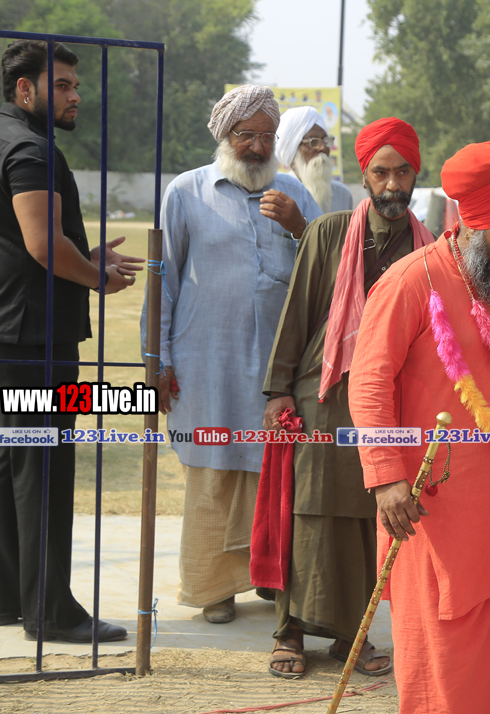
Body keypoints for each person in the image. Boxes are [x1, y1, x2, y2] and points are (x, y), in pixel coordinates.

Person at [348, 139, 490, 714]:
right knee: (442, 660)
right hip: (431, 502)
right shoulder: (411, 280)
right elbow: (368, 383)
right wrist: (386, 478)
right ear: (471, 224)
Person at [0, 40, 140, 643]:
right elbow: (43, 245)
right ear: (26, 88)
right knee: (42, 468)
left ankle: (2, 597)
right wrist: (96, 277)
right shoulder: (30, 148)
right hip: (34, 336)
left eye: (76, 85)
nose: (76, 96)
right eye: (63, 85)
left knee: (11, 462)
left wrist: (86, 257)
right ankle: (51, 612)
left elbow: (27, 244)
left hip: (8, 327)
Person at [141, 85, 321, 624]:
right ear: (224, 135)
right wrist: (157, 359)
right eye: (247, 135)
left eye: (268, 136)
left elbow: (330, 265)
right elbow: (164, 280)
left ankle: (266, 575)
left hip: (278, 367)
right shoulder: (186, 191)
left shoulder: (293, 192)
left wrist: (299, 227)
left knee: (274, 470)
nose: (259, 147)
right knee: (213, 471)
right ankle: (212, 588)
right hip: (207, 361)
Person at [262, 117, 434, 678]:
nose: (392, 184)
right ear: (364, 177)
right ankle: (289, 632)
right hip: (323, 392)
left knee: (368, 518)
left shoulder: (429, 249)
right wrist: (278, 390)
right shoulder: (330, 231)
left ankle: (350, 638)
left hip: (387, 403)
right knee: (308, 509)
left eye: (402, 172)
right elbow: (297, 312)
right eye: (381, 173)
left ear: (416, 174)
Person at [275, 106, 353, 214]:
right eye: (313, 142)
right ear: (293, 150)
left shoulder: (342, 195)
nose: (323, 148)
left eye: (326, 141)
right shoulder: (278, 195)